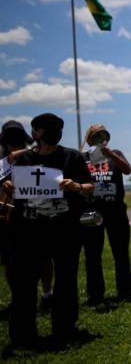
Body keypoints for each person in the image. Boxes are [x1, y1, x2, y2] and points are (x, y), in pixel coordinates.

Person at [3, 114, 93, 345]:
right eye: (47, 129)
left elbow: (89, 186)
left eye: (58, 128)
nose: (54, 132)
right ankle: (22, 333)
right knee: (24, 282)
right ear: (35, 132)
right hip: (29, 229)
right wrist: (10, 187)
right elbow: (16, 188)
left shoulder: (72, 157)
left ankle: (64, 328)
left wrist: (76, 186)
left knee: (66, 280)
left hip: (64, 228)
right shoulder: (23, 161)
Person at [0, 121, 55, 312]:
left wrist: (20, 153)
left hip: (36, 215)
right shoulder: (1, 164)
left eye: (18, 139)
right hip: (7, 218)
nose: (14, 144)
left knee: (44, 256)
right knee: (9, 261)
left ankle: (47, 294)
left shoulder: (35, 157)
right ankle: (18, 298)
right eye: (9, 140)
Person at [79, 124, 131, 304]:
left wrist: (110, 154)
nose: (100, 137)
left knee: (121, 252)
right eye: (96, 134)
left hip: (115, 210)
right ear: (88, 139)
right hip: (91, 211)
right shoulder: (82, 158)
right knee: (92, 254)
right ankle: (95, 294)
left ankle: (125, 290)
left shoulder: (115, 153)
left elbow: (127, 170)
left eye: (103, 133)